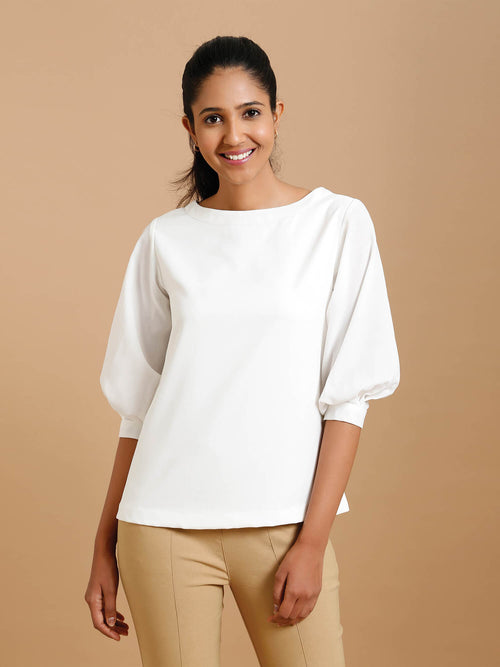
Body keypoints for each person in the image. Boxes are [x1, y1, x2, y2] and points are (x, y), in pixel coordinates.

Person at [84, 35, 400, 667]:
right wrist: (103, 546)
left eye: (250, 112)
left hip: (285, 526)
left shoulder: (338, 223)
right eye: (213, 118)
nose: (234, 135)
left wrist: (312, 543)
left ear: (277, 114)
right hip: (162, 526)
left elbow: (348, 400)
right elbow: (139, 409)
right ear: (190, 129)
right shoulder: (166, 240)